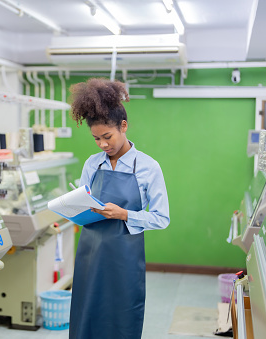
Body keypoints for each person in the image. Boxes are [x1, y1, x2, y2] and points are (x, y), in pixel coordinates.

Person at [69, 78, 170, 339]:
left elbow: (162, 218)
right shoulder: (93, 165)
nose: (103, 144)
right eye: (96, 139)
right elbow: (83, 202)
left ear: (123, 126)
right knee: (87, 313)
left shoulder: (149, 167)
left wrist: (124, 214)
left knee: (122, 314)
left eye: (107, 137)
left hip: (124, 255)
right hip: (91, 252)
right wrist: (74, 209)